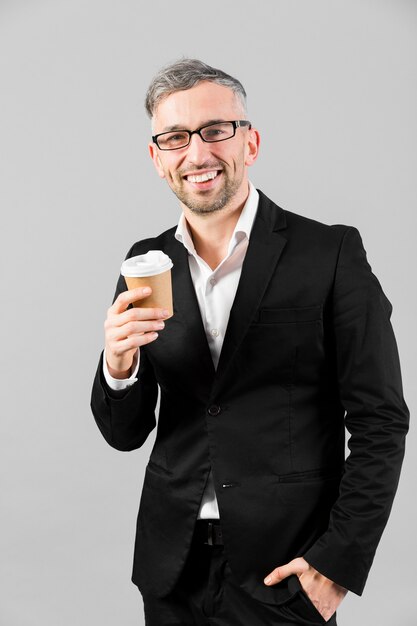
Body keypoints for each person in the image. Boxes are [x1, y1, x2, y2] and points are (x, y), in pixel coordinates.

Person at [91, 58, 409, 626]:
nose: (198, 153)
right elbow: (125, 434)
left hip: (285, 571)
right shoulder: (145, 262)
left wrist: (336, 564)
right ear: (157, 158)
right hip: (171, 569)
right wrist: (118, 366)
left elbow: (380, 419)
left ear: (250, 142)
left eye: (216, 131)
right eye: (175, 137)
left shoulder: (330, 254)